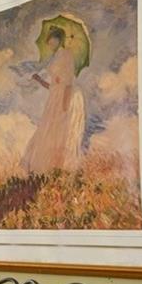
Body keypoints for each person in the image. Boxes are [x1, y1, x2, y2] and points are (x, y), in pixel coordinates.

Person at [21, 23, 87, 175]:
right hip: (55, 99)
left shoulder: (66, 54)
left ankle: (61, 169)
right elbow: (53, 87)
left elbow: (68, 82)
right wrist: (39, 80)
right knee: (49, 133)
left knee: (60, 133)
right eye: (49, 40)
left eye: (51, 39)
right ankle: (47, 171)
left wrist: (64, 106)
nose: (49, 42)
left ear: (59, 39)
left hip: (64, 99)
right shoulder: (56, 56)